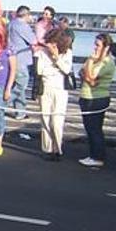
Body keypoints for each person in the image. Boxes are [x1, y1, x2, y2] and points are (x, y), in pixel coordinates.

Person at [78, 33, 116, 167]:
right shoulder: (95, 59)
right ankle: (93, 154)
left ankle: (97, 157)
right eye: (94, 44)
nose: (95, 47)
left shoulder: (107, 62)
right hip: (85, 96)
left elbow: (90, 79)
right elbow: (81, 73)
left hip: (97, 98)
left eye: (98, 45)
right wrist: (86, 72)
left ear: (106, 47)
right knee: (89, 128)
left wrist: (90, 62)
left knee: (95, 128)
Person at [36, 28, 73, 161]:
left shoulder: (67, 53)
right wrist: (55, 69)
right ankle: (47, 148)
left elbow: (67, 70)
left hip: (60, 90)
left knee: (57, 121)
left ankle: (58, 149)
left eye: (53, 42)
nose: (50, 45)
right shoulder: (42, 53)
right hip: (45, 88)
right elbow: (41, 71)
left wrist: (56, 58)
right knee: (45, 118)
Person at [8, 5, 36, 120]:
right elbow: (33, 41)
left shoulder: (11, 24)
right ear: (26, 15)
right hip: (21, 61)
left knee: (16, 85)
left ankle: (20, 112)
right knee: (21, 86)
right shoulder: (23, 26)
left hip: (11, 59)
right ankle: (2, 103)